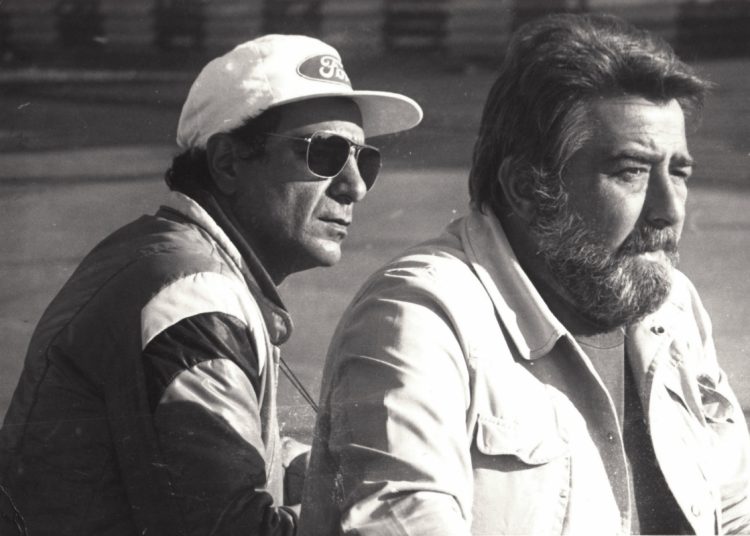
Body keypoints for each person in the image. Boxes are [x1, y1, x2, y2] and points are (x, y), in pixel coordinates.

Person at [300, 14, 750, 535]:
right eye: (630, 172)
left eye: (679, 172)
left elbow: (735, 508)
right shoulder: (418, 319)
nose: (669, 211)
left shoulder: (671, 304)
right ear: (525, 186)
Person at [0, 34, 422, 535]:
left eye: (365, 160)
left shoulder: (169, 256)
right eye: (326, 154)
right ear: (227, 163)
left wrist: (329, 475)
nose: (355, 187)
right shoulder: (192, 301)